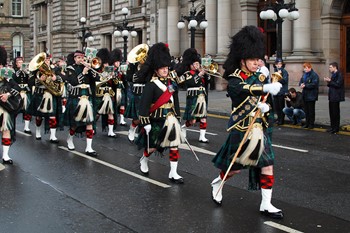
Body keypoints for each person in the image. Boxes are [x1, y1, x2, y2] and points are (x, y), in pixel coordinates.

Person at [210, 25, 284, 219]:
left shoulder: (259, 75)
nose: (256, 63)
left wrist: (266, 108)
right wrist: (265, 86)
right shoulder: (234, 78)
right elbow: (242, 90)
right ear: (242, 59)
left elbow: (261, 97)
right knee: (233, 168)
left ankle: (266, 204)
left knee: (267, 164)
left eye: (258, 59)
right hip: (242, 128)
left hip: (258, 128)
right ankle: (219, 182)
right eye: (253, 59)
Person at [136, 42, 185, 183]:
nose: (165, 70)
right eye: (162, 68)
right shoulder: (151, 85)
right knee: (152, 147)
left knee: (174, 146)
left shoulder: (171, 83)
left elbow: (175, 101)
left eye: (166, 67)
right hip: (156, 120)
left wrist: (178, 116)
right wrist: (145, 122)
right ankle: (144, 159)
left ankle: (173, 172)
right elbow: (144, 105)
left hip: (170, 119)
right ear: (156, 70)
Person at [63, 50, 98, 156]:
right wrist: (83, 73)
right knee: (75, 124)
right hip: (76, 97)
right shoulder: (70, 69)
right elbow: (73, 82)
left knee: (89, 122)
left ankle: (89, 147)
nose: (81, 60)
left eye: (82, 58)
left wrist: (91, 69)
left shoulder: (87, 67)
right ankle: (70, 139)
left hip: (87, 97)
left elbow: (97, 78)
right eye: (79, 58)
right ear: (74, 58)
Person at [176, 48, 211, 143]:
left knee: (203, 117)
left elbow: (208, 82)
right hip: (193, 97)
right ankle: (183, 127)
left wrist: (207, 75)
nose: (197, 65)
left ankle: (202, 136)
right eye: (195, 64)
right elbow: (189, 82)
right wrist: (198, 75)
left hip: (202, 96)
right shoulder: (188, 74)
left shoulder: (200, 73)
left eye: (198, 64)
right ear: (190, 65)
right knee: (193, 120)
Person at [27, 53, 63, 143]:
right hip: (40, 94)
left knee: (52, 116)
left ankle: (53, 136)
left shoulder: (54, 69)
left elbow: (63, 78)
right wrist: (39, 80)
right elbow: (30, 82)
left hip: (51, 94)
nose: (46, 61)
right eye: (45, 60)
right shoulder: (35, 71)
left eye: (47, 59)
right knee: (39, 116)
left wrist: (56, 78)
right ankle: (38, 131)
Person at [124, 44, 149, 142]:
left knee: (146, 117)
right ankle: (133, 127)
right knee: (137, 118)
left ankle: (142, 136)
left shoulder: (148, 67)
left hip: (146, 93)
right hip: (137, 93)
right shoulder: (133, 66)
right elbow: (129, 77)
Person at [0, 67, 23, 164]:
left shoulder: (7, 77)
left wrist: (8, 94)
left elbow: (17, 88)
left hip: (4, 108)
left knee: (6, 130)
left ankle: (5, 156)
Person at [12, 56, 33, 134]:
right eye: (19, 62)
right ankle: (12, 126)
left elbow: (31, 81)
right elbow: (13, 79)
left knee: (27, 110)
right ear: (16, 63)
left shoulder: (26, 71)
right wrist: (19, 71)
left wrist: (27, 72)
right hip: (17, 92)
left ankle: (26, 127)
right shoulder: (13, 71)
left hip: (25, 92)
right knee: (15, 110)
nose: (20, 64)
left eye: (21, 62)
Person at [324, 62, 345, 134]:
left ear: (335, 67)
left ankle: (336, 128)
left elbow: (338, 84)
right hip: (332, 96)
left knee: (335, 113)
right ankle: (332, 127)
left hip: (336, 96)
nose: (329, 69)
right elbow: (331, 85)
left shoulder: (339, 74)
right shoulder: (333, 74)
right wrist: (328, 82)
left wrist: (330, 81)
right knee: (331, 113)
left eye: (330, 67)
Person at [299, 62, 319, 129]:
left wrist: (306, 86)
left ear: (310, 68)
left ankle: (311, 124)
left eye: (306, 68)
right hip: (305, 95)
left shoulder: (314, 75)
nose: (305, 69)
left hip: (311, 95)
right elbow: (301, 81)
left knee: (311, 111)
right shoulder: (304, 75)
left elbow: (314, 84)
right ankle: (307, 123)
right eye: (304, 68)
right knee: (306, 110)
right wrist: (301, 84)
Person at [273, 58, 288, 125]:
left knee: (281, 106)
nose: (278, 65)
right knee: (277, 107)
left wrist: (278, 78)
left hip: (281, 91)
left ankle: (281, 120)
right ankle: (278, 119)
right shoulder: (275, 71)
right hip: (276, 91)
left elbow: (285, 80)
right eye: (277, 64)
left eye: (280, 64)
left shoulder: (284, 71)